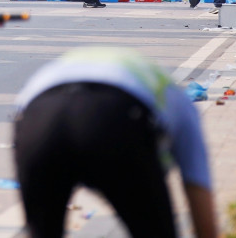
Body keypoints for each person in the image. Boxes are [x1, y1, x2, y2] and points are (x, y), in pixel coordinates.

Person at [14, 47, 217, 238]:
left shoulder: (164, 93)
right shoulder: (180, 105)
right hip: (114, 119)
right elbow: (197, 184)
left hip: (37, 118)